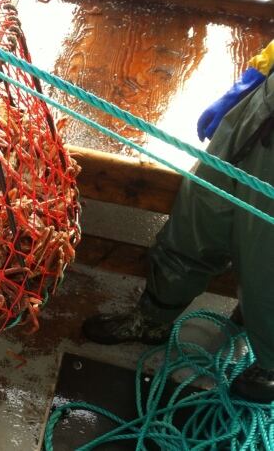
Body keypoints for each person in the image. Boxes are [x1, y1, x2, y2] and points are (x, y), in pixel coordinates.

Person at [82, 40, 274, 403]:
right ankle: (153, 318)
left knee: (268, 264)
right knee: (197, 216)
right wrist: (253, 78)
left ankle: (270, 364)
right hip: (262, 106)